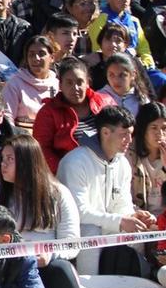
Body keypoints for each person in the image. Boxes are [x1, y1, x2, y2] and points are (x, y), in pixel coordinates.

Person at [0, 134, 85, 288]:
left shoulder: (59, 193)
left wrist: (50, 254)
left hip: (45, 266)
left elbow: (72, 242)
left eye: (10, 159)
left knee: (63, 270)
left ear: (28, 162)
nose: (3, 164)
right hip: (4, 269)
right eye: (2, 159)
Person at [58, 105, 157, 276]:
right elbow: (79, 213)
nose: (129, 140)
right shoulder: (75, 162)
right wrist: (120, 221)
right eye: (123, 134)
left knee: (136, 232)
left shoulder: (123, 163)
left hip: (106, 226)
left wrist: (134, 216)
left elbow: (122, 204)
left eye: (131, 134)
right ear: (105, 133)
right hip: (74, 231)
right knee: (90, 231)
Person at [32, 56, 113, 173]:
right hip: (67, 175)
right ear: (60, 86)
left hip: (105, 170)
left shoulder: (105, 103)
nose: (75, 88)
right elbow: (41, 149)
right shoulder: (48, 112)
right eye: (69, 83)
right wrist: (65, 171)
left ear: (88, 83)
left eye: (80, 82)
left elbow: (119, 134)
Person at [1, 35, 58, 128]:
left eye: (41, 53)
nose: (36, 58)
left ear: (52, 57)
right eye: (31, 54)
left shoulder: (57, 85)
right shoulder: (14, 84)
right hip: (23, 137)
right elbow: (7, 116)